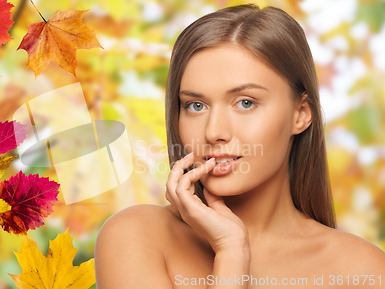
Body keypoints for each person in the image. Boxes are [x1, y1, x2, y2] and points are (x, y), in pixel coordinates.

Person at [94, 3, 385, 288]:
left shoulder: (363, 271)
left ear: (301, 115)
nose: (214, 132)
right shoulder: (137, 236)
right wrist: (232, 254)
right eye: (195, 105)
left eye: (245, 103)